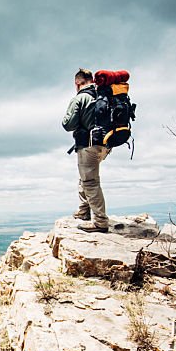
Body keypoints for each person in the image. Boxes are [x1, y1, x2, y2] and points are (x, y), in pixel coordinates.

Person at [62, 68, 111, 233]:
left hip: (89, 145)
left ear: (77, 83)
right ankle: (84, 211)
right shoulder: (103, 95)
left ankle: (100, 222)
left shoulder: (80, 98)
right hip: (105, 144)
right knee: (86, 176)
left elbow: (68, 124)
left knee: (90, 181)